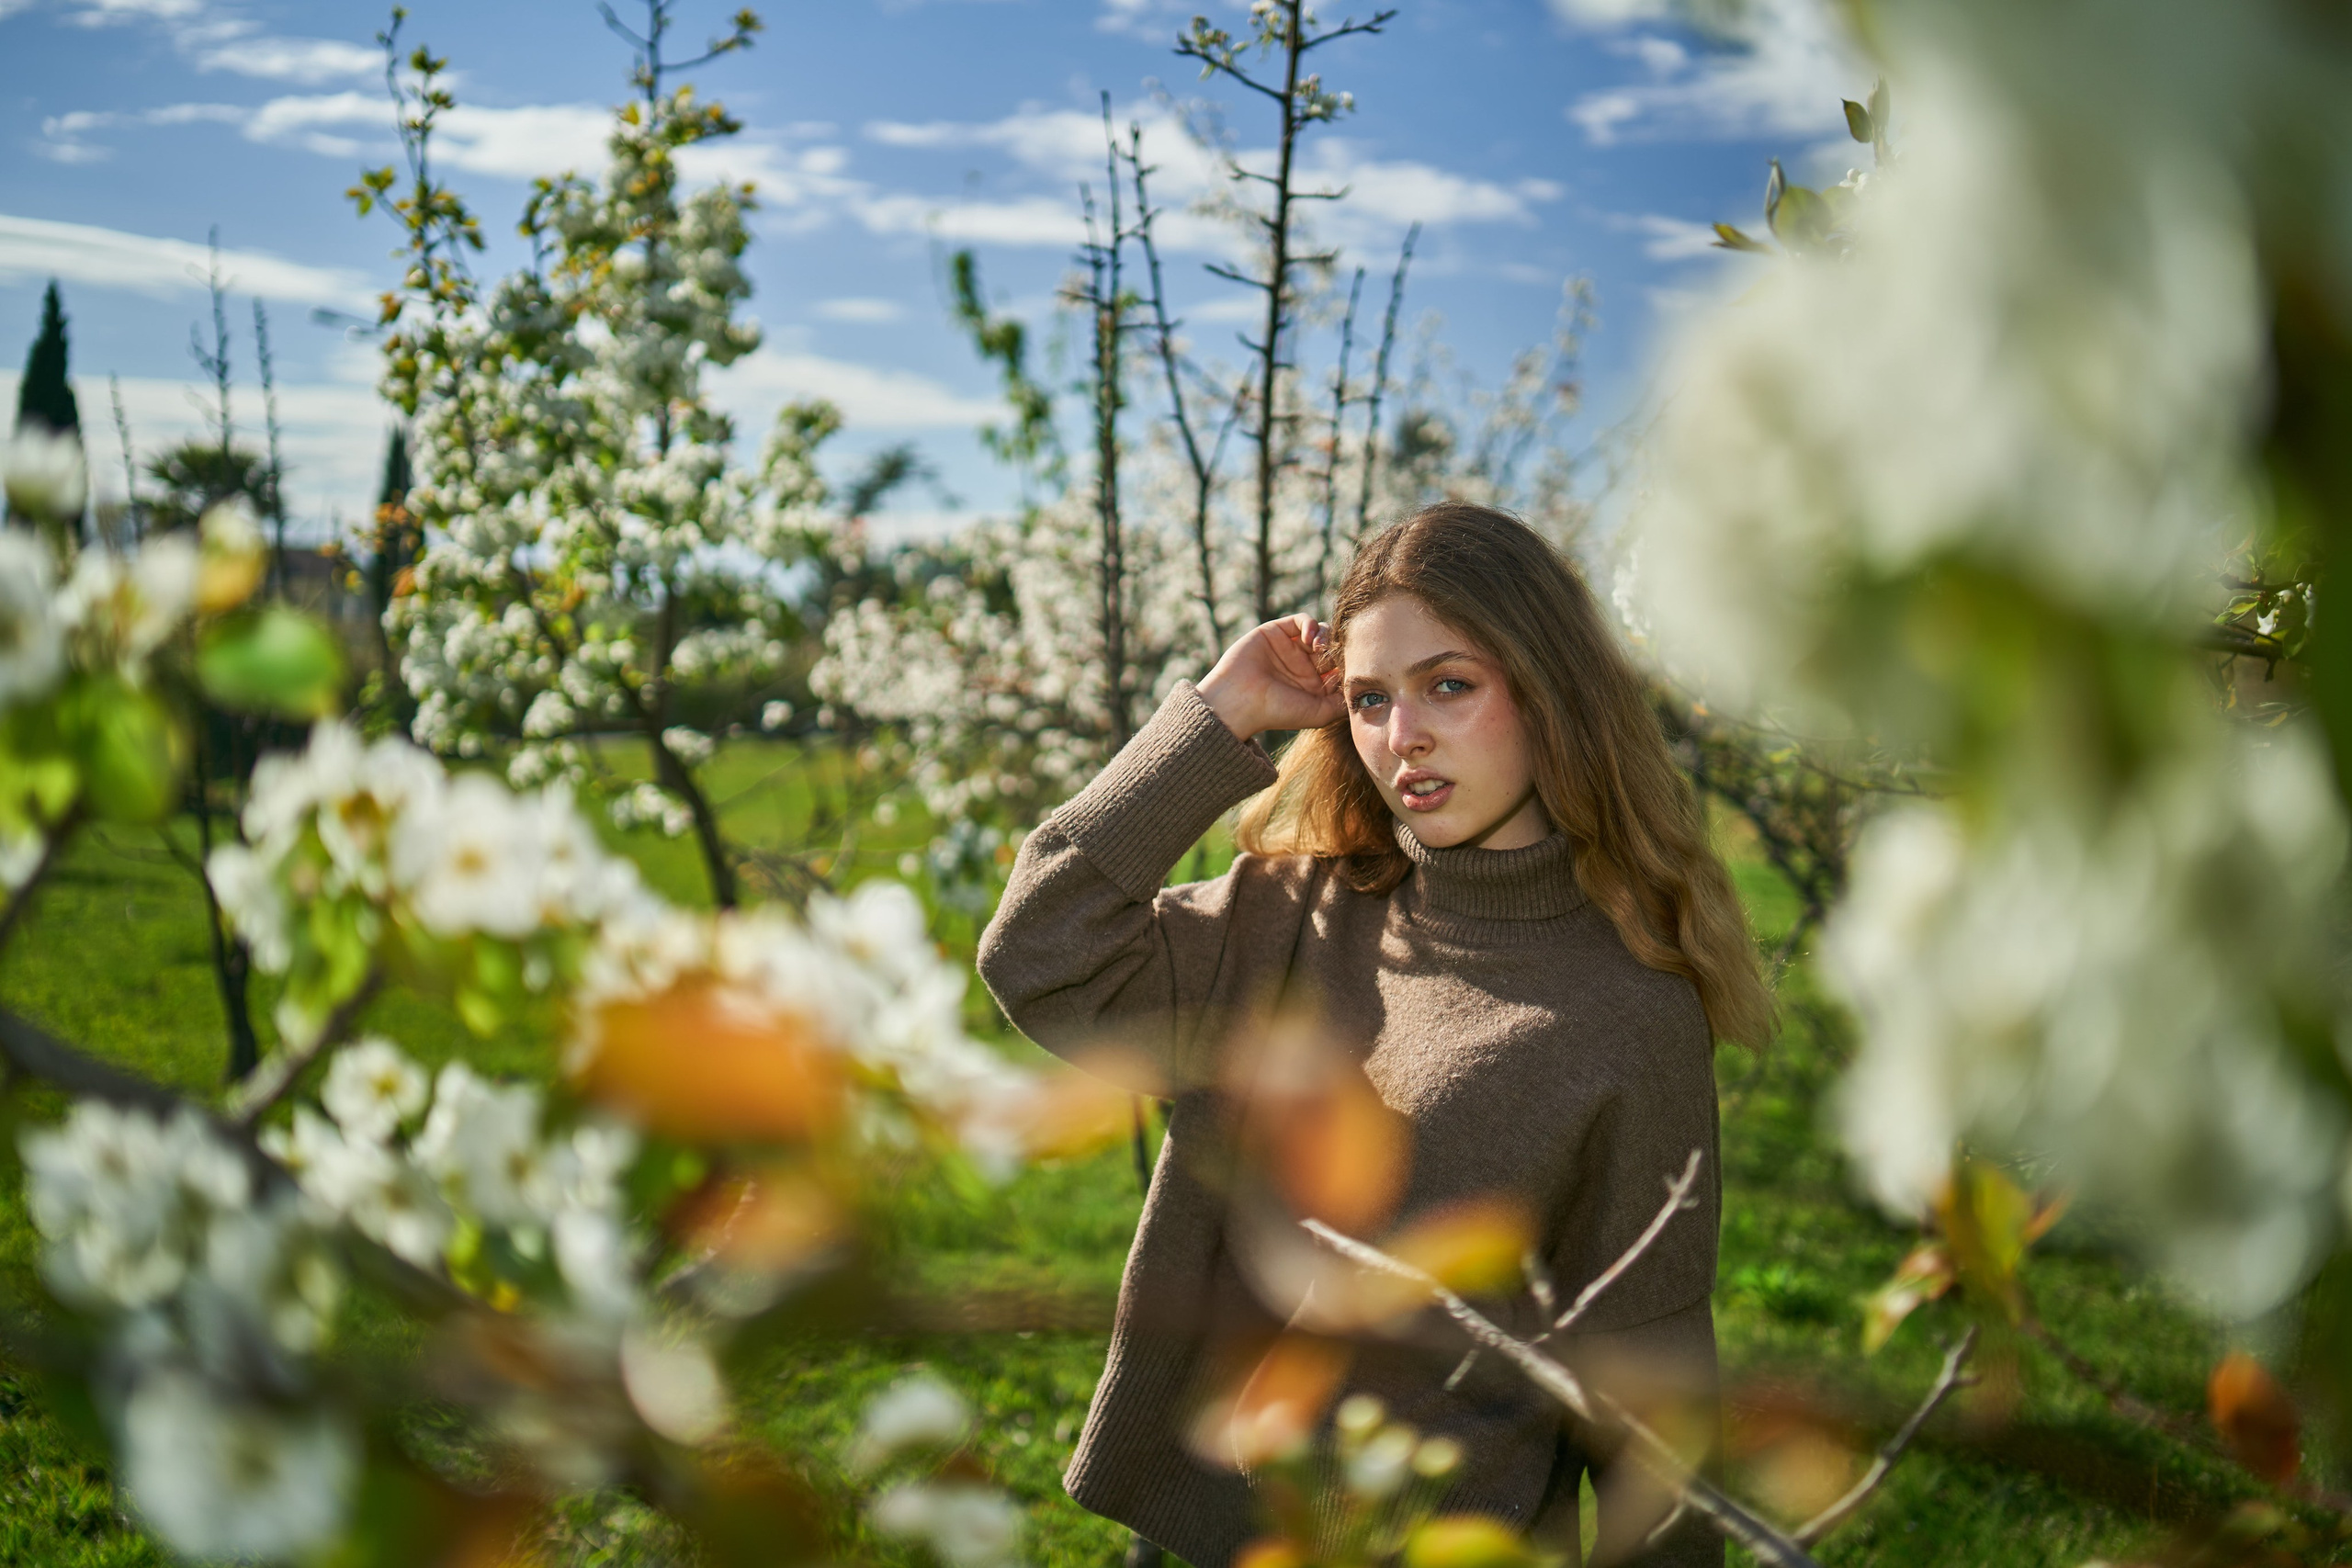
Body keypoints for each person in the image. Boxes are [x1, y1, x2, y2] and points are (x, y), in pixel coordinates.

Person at [977, 502, 1771, 1567]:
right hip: (1203, 1526)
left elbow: (1649, 1407)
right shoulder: (1291, 916)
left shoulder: (1630, 1017)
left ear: (1549, 692)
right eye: (1367, 699)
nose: (1404, 738)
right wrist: (1219, 712)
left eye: (1450, 684)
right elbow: (1039, 955)